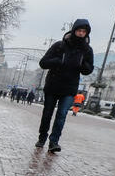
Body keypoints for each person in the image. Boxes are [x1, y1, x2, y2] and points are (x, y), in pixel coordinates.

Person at [35, 19, 94, 153]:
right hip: (53, 85)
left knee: (61, 114)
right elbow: (43, 63)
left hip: (69, 87)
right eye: (79, 30)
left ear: (86, 33)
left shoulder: (87, 50)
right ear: (74, 30)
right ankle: (42, 138)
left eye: (84, 32)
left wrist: (82, 64)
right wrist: (58, 60)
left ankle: (54, 142)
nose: (81, 33)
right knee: (47, 114)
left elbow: (89, 69)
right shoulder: (59, 45)